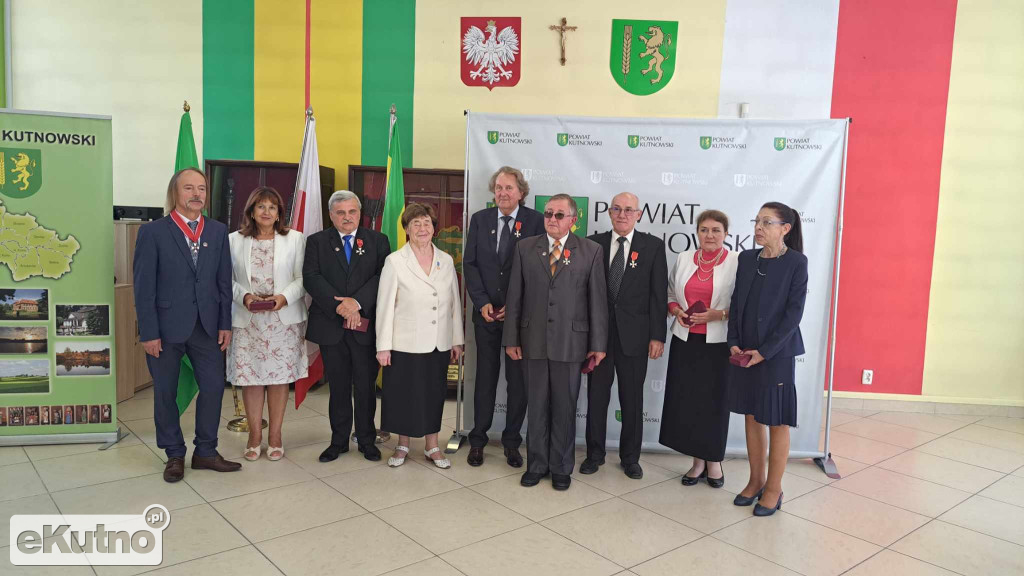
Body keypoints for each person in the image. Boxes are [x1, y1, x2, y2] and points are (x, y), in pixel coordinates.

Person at [134, 167, 240, 482]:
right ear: (175, 193)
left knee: (213, 387)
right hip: (165, 329)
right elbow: (143, 287)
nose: (196, 194)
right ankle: (174, 454)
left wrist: (225, 323)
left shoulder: (217, 231)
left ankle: (206, 451)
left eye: (202, 188)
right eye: (189, 188)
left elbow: (224, 281)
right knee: (166, 392)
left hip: (207, 327)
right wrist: (148, 332)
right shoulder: (153, 232)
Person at [504, 194, 608, 491]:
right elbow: (515, 296)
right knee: (536, 406)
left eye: (559, 215)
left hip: (571, 343)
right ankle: (536, 465)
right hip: (532, 340)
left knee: (564, 407)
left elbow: (597, 301)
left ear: (573, 220)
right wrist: (511, 338)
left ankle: (561, 467)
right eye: (548, 213)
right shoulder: (525, 247)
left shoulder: (591, 251)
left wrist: (598, 344)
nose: (552, 219)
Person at [728, 201, 807, 516]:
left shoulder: (796, 263)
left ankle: (774, 489)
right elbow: (737, 304)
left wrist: (765, 351)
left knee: (776, 421)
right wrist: (734, 342)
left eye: (766, 222)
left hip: (776, 354)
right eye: (757, 221)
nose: (758, 227)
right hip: (745, 351)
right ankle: (755, 481)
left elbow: (793, 315)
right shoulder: (747, 259)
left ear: (785, 228)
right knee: (751, 415)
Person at [463, 166, 544, 468]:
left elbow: (539, 270)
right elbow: (470, 264)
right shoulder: (480, 220)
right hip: (486, 315)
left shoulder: (536, 221)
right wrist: (481, 301)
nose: (503, 193)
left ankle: (512, 442)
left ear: (521, 192)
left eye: (509, 188)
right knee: (485, 378)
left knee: (518, 383)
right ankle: (478, 441)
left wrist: (517, 304)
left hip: (520, 318)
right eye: (498, 187)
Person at [582, 192, 667, 479]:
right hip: (598, 338)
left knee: (632, 400)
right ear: (609, 212)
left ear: (639, 214)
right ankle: (594, 455)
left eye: (629, 210)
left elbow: (658, 296)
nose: (622, 214)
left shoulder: (653, 247)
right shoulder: (592, 243)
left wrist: (657, 336)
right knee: (596, 398)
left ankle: (630, 458)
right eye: (617, 209)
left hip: (636, 337)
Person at [376, 203, 464, 469]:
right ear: (407, 229)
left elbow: (454, 302)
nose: (422, 228)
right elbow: (385, 306)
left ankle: (432, 446)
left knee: (433, 394)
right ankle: (402, 445)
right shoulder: (395, 261)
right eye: (416, 223)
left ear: (434, 228)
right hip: (404, 342)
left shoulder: (445, 260)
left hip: (438, 341)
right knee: (404, 394)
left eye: (427, 223)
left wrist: (456, 339)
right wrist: (383, 346)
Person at [304, 190, 390, 463]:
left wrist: (356, 303)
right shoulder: (317, 242)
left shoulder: (378, 241)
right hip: (331, 325)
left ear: (359, 213)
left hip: (366, 325)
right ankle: (338, 442)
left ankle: (366, 440)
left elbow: (383, 276)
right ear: (331, 215)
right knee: (338, 387)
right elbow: (311, 277)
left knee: (365, 386)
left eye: (352, 211)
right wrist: (340, 307)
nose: (347, 217)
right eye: (340, 213)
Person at [228, 186, 308, 462]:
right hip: (247, 320)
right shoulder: (234, 240)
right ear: (251, 211)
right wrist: (244, 296)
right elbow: (225, 279)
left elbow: (303, 278)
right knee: (250, 379)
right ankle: (254, 436)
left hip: (282, 321)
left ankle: (275, 436)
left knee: (278, 380)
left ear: (279, 213)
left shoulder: (295, 239)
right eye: (260, 206)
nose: (266, 211)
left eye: (272, 207)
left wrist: (284, 298)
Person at [660, 210, 738, 489]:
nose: (710, 235)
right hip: (685, 342)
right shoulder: (684, 258)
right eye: (704, 230)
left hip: (718, 345)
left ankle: (714, 461)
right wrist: (676, 310)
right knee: (689, 403)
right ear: (697, 232)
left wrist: (721, 314)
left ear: (726, 233)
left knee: (715, 403)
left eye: (716, 230)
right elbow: (670, 293)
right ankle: (697, 462)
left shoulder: (737, 261)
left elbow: (744, 303)